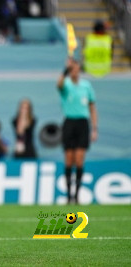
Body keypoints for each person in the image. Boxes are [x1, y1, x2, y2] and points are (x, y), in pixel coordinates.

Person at [57, 58, 98, 204]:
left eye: (76, 68)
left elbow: (92, 108)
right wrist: (65, 70)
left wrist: (94, 128)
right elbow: (59, 84)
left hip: (82, 123)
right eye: (72, 69)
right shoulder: (66, 84)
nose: (74, 71)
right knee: (69, 158)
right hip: (69, 122)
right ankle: (69, 195)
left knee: (79, 158)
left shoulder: (86, 86)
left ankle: (77, 194)